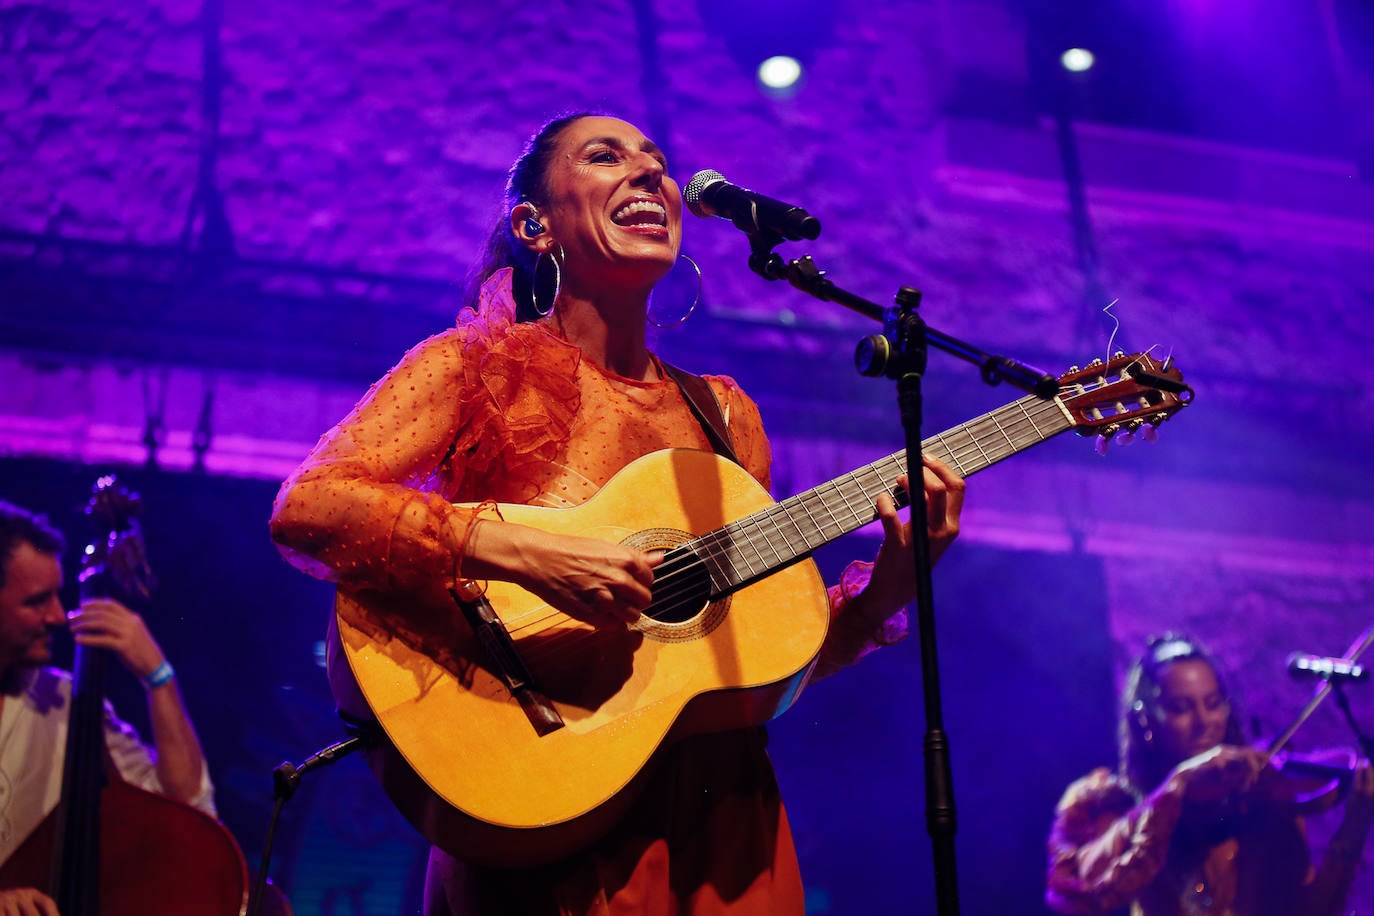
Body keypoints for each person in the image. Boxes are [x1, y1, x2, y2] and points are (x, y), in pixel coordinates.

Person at [269, 111, 966, 915]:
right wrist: (534, 555)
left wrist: (888, 589)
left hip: (725, 825)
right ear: (535, 225)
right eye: (606, 157)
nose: (649, 174)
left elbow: (751, 660)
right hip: (540, 784)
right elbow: (310, 505)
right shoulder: (472, 367)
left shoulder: (726, 417)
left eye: (658, 162)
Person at [1046, 632, 1374, 915]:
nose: (1204, 722)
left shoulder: (1261, 796)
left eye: (1214, 703)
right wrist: (1179, 785)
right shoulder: (1107, 802)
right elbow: (1071, 891)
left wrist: (1353, 829)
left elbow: (1310, 914)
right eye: (1180, 708)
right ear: (1145, 718)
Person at [0, 500, 216, 914]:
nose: (59, 617)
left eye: (57, 597)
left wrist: (158, 677)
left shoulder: (64, 701)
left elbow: (185, 807)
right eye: (36, 601)